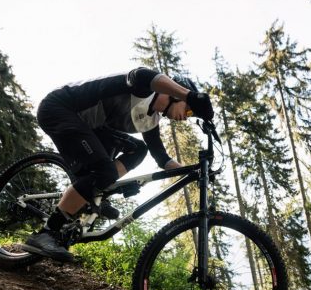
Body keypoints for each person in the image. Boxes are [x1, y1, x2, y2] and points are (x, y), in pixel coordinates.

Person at [23, 67, 214, 262]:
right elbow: (141, 75)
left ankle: (97, 190)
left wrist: (193, 172)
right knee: (105, 170)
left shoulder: (151, 120)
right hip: (59, 108)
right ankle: (46, 233)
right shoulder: (145, 87)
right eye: (189, 110)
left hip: (90, 127)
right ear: (176, 94)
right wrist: (191, 96)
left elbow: (162, 159)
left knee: (139, 150)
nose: (187, 116)